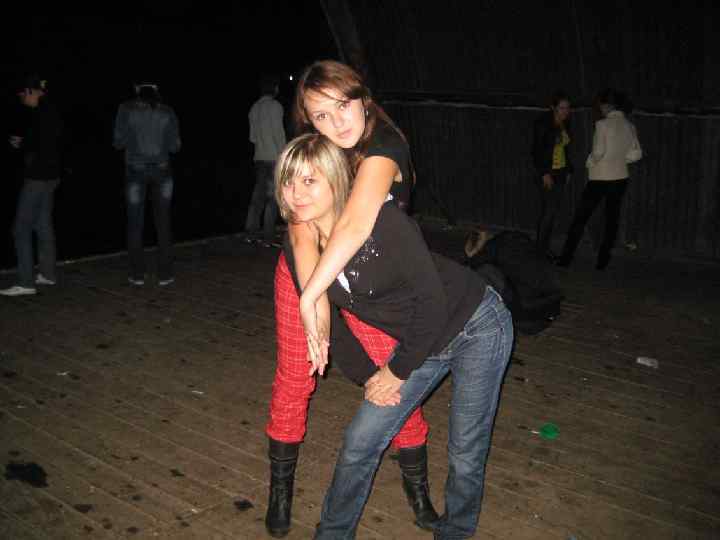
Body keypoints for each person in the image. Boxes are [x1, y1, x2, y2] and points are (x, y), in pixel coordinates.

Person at [276, 133, 513, 539]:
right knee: (360, 439)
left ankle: (455, 532)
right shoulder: (300, 245)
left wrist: (397, 371)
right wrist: (371, 377)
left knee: (465, 449)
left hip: (476, 323)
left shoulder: (383, 223)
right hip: (424, 341)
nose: (296, 193)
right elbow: (337, 331)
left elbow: (434, 303)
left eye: (309, 180)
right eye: (288, 181)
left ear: (335, 180)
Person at [264, 60, 435, 537]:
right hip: (305, 272)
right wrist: (311, 297)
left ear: (363, 99)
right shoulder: (315, 150)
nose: (336, 122)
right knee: (295, 373)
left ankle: (418, 488)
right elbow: (299, 225)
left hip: (367, 279)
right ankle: (280, 490)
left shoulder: (384, 147)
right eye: (320, 114)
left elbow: (357, 224)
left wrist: (319, 294)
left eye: (342, 105)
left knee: (392, 377)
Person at [557, 89, 642, 270]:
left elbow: (598, 152)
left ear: (606, 106)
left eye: (600, 106)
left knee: (581, 217)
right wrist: (619, 160)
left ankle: (565, 258)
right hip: (620, 178)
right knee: (612, 219)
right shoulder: (630, 125)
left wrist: (589, 162)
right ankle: (603, 260)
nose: (600, 109)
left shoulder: (602, 125)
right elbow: (636, 154)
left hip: (600, 178)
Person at [113, 82, 181, 286]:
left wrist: (133, 138)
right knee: (163, 222)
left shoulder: (125, 109)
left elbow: (118, 142)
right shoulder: (167, 111)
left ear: (136, 90)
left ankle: (137, 274)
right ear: (156, 90)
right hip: (162, 170)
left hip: (135, 169)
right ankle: (165, 274)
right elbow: (175, 146)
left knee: (135, 223)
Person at [1, 75, 63, 297]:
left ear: (32, 92)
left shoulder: (39, 114)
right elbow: (50, 141)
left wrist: (20, 143)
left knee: (20, 228)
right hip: (53, 175)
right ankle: (47, 274)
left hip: (38, 176)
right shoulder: (52, 111)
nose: (22, 99)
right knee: (42, 223)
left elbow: (38, 144)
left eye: (22, 95)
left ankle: (26, 282)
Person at [465, 228, 563, 335]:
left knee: (483, 274)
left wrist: (472, 260)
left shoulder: (488, 256)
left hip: (527, 322)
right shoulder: (519, 243)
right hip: (550, 311)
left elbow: (471, 269)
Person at [245, 74, 286, 247]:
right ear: (274, 88)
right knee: (272, 200)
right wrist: (285, 155)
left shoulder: (254, 108)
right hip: (274, 158)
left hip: (259, 158)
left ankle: (251, 234)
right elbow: (279, 133)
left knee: (257, 198)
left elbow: (252, 138)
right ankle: (268, 238)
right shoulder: (276, 106)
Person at [531, 91, 573, 262]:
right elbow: (536, 151)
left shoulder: (565, 123)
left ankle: (544, 248)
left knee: (553, 212)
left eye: (567, 108)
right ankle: (539, 251)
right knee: (548, 212)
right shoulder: (543, 124)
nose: (565, 111)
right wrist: (544, 173)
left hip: (561, 172)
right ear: (553, 107)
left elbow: (566, 149)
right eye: (562, 108)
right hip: (548, 172)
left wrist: (568, 170)